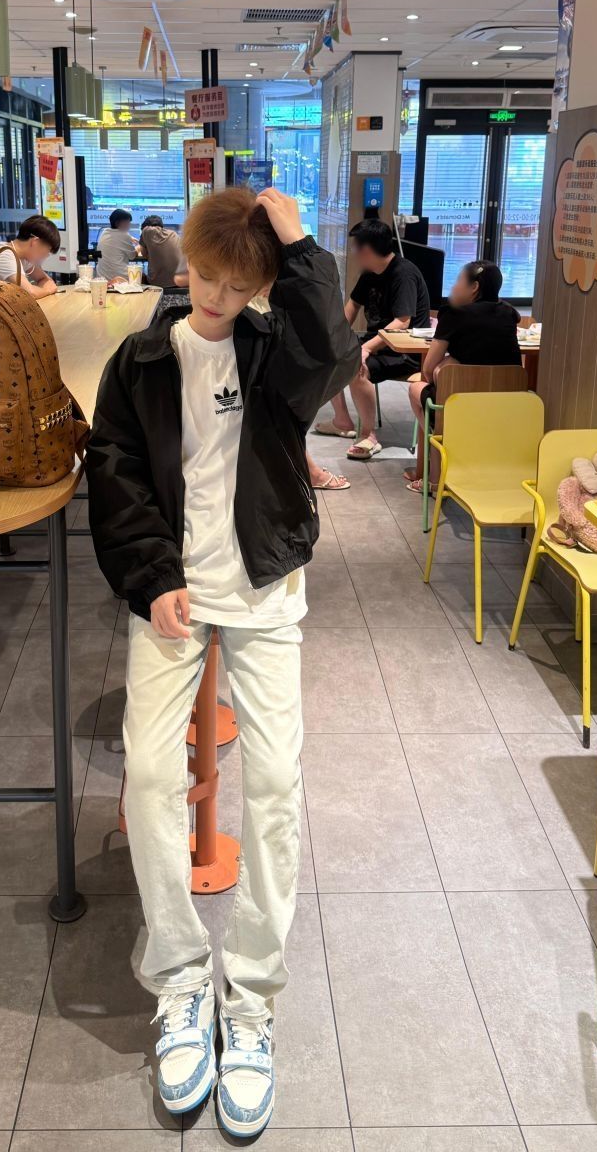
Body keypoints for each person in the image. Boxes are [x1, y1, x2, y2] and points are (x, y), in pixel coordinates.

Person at [86, 187, 358, 1138]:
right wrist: (151, 574)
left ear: (261, 286)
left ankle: (251, 999)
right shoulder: (141, 359)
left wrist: (301, 245)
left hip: (266, 586)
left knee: (276, 783)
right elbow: (114, 469)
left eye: (237, 286)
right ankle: (179, 982)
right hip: (173, 594)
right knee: (154, 774)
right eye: (205, 276)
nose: (214, 296)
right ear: (185, 264)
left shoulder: (276, 352)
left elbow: (334, 352)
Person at [315, 218, 430, 460]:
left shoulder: (404, 274)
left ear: (366, 249)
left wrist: (366, 348)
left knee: (357, 364)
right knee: (329, 354)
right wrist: (333, 336)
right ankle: (342, 420)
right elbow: (352, 307)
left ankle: (368, 435)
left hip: (405, 350)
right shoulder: (370, 274)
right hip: (378, 343)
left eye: (355, 247)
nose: (353, 252)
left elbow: (402, 322)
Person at [406, 259, 520, 490]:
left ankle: (437, 474)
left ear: (474, 287)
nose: (454, 286)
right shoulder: (509, 313)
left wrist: (445, 365)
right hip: (506, 409)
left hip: (461, 408)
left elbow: (428, 368)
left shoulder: (453, 313)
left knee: (415, 389)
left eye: (459, 280)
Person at [0, 215, 59, 298]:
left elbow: (46, 280)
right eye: (46, 251)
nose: (45, 256)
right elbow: (29, 293)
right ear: (35, 242)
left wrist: (42, 290)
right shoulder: (5, 255)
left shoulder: (24, 256)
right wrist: (47, 291)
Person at [139, 214, 184, 289]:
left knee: (141, 276)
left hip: (157, 283)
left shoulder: (146, 231)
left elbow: (144, 254)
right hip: (178, 281)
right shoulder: (173, 233)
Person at [96, 207, 139, 281]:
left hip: (103, 277)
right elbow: (132, 256)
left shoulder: (104, 232)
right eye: (127, 222)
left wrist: (130, 238)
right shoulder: (125, 235)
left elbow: (116, 237)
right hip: (120, 278)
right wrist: (140, 246)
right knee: (142, 276)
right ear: (117, 223)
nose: (129, 225)